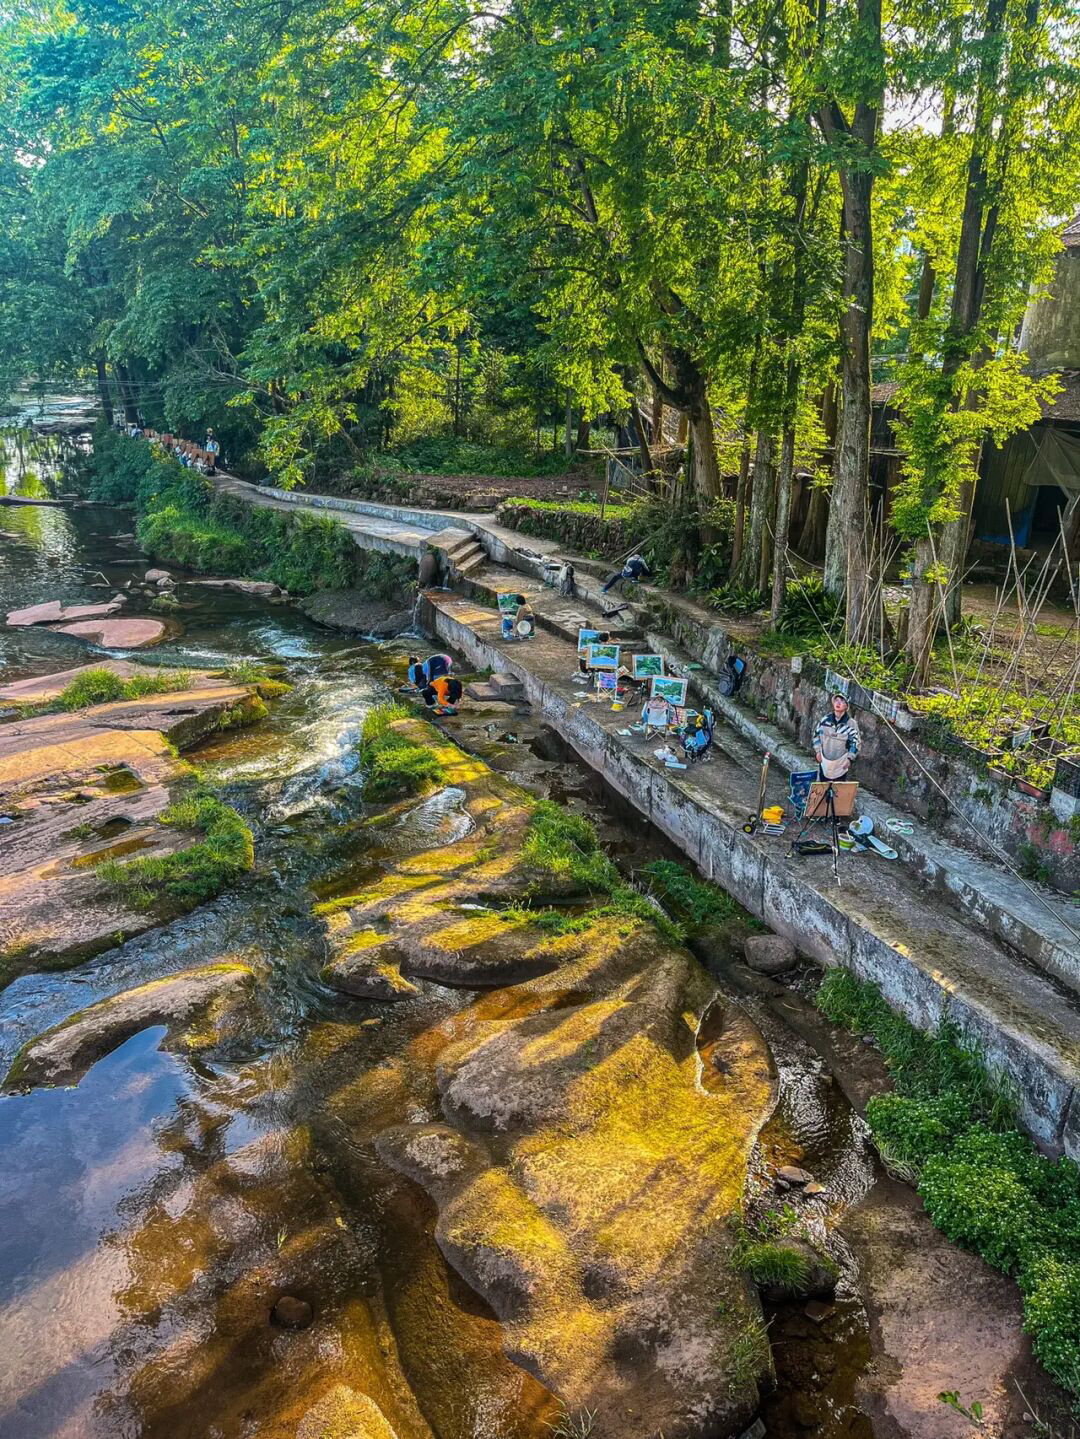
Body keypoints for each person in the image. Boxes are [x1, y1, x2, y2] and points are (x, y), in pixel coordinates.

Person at [813, 693, 860, 781]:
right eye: (836, 700)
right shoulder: (825, 720)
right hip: (825, 762)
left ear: (846, 706)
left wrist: (849, 758)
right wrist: (818, 751)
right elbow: (816, 736)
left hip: (841, 764)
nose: (838, 703)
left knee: (837, 789)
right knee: (822, 787)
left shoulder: (851, 724)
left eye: (842, 701)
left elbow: (856, 743)